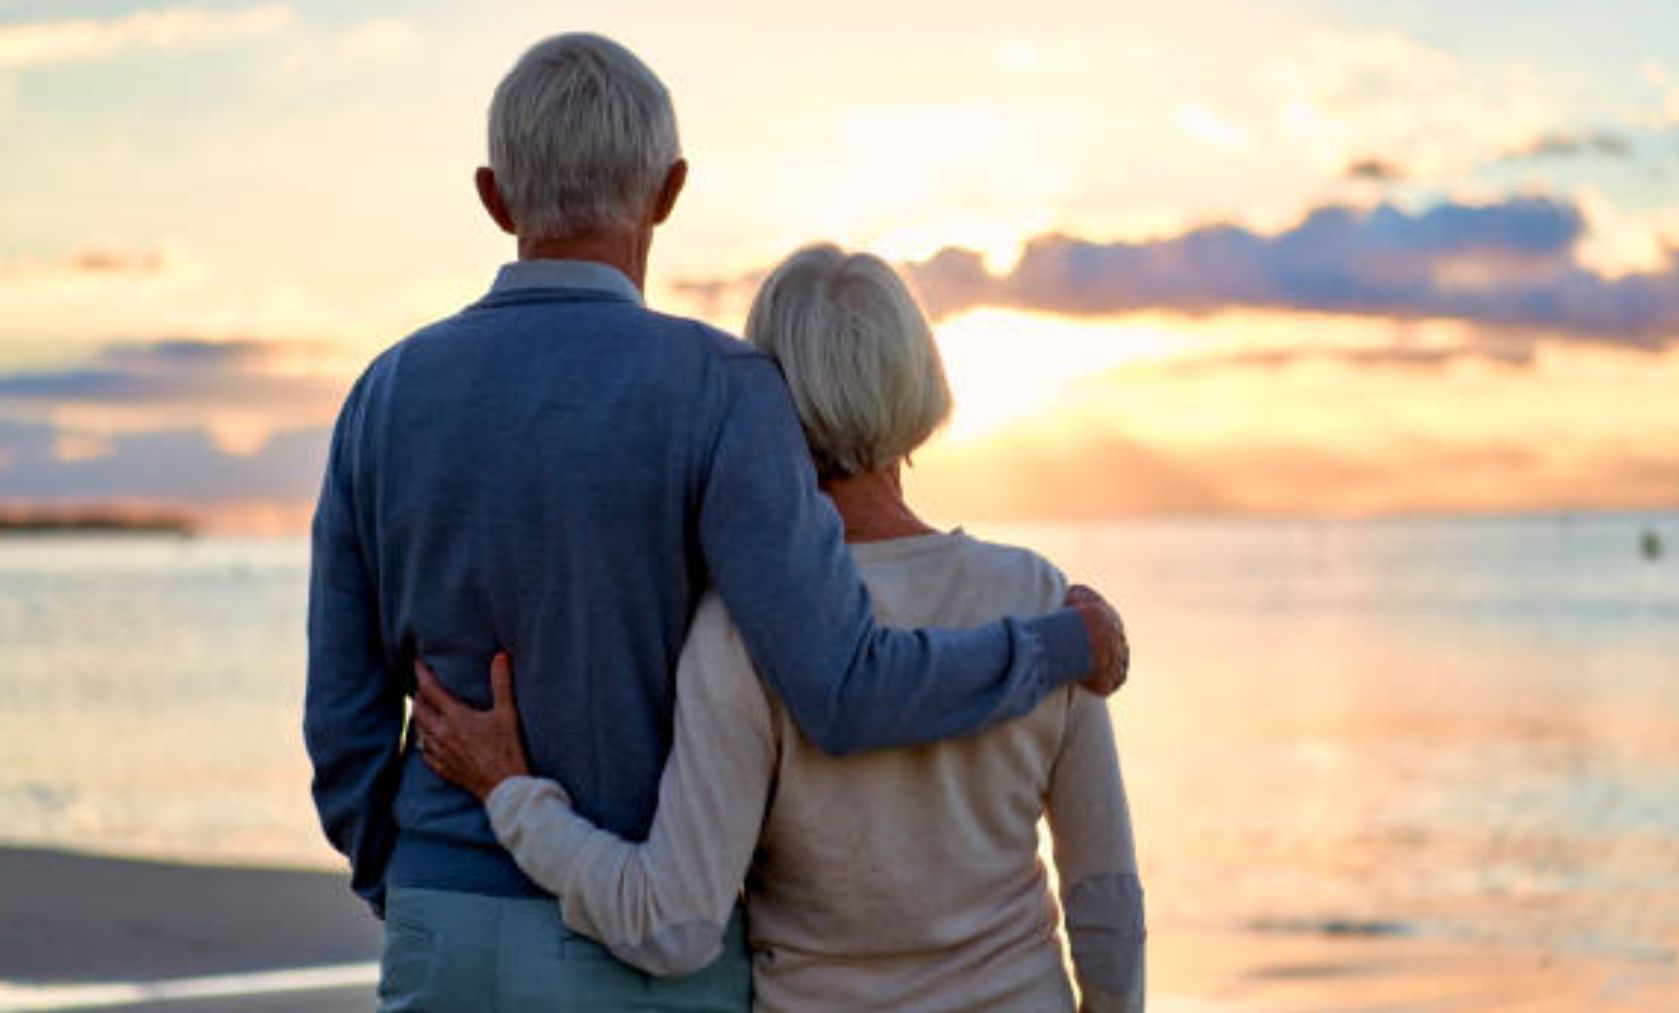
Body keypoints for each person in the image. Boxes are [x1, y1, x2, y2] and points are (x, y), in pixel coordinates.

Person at [302, 32, 1130, 1012]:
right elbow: (839, 682)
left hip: (443, 921)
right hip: (639, 952)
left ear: (494, 197)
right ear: (668, 190)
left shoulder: (383, 394)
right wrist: (1055, 644)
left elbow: (341, 717)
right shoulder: (722, 389)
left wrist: (403, 881)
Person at [413, 246, 1145, 1011]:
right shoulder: (1042, 598)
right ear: (919, 375)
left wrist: (512, 795)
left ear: (768, 403)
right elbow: (1107, 901)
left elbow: (672, 922)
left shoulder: (745, 626)